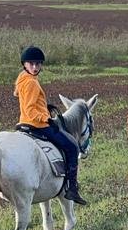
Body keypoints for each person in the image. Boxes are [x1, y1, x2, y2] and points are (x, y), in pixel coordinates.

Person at [15, 45, 88, 206]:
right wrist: (46, 118)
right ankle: (71, 188)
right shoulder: (32, 83)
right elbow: (30, 109)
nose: (34, 67)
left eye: (38, 64)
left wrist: (44, 106)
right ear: (24, 64)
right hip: (37, 124)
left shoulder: (23, 79)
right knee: (71, 146)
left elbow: (29, 103)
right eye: (31, 64)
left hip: (23, 122)